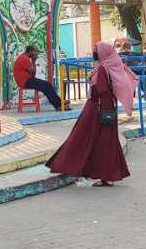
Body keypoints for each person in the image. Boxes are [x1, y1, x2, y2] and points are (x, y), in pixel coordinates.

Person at [46, 42, 137, 186]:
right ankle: (106, 175)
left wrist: (91, 82)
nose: (94, 52)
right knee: (105, 141)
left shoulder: (102, 68)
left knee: (84, 136)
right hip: (107, 107)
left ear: (103, 53)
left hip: (97, 107)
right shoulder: (110, 66)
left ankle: (72, 166)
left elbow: (100, 90)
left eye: (96, 50)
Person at [13, 46, 69, 111]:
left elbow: (32, 74)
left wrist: (33, 61)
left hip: (27, 80)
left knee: (47, 85)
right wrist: (34, 61)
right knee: (47, 85)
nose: (36, 54)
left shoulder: (24, 58)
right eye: (35, 52)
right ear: (30, 51)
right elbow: (33, 73)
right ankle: (58, 105)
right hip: (25, 81)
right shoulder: (24, 58)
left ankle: (59, 103)